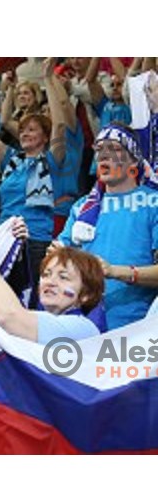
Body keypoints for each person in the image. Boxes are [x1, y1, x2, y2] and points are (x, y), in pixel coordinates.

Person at [57, 123, 158, 330]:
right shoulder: (82, 207)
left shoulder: (153, 204)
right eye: (100, 149)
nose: (104, 155)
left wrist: (115, 271)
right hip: (84, 327)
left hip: (137, 328)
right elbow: (62, 257)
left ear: (134, 160)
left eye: (114, 149)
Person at [0, 74, 68, 297]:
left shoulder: (51, 160)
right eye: (23, 130)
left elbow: (60, 124)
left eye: (32, 130)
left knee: (32, 303)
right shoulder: (12, 160)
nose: (25, 134)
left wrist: (47, 80)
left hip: (34, 241)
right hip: (2, 239)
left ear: (45, 137)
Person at [0, 202, 104, 342]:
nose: (50, 282)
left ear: (86, 294)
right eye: (46, 274)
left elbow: (9, 317)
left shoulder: (83, 328)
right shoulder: (40, 317)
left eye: (63, 277)